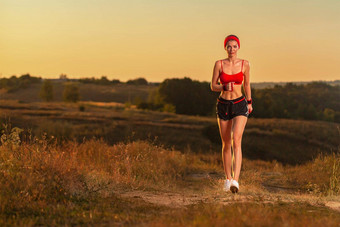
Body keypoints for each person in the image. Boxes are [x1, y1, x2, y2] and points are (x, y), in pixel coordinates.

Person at [210, 34, 253, 193]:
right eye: (229, 46)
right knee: (226, 143)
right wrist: (222, 87)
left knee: (237, 139)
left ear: (238, 47)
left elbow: (247, 84)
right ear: (225, 48)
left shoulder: (245, 64)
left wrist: (249, 102)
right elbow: (213, 86)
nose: (231, 49)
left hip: (239, 104)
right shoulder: (219, 64)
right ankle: (227, 179)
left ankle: (236, 180)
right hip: (223, 105)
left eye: (234, 46)